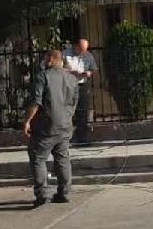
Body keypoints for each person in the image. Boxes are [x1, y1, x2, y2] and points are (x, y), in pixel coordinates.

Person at [23, 50, 79, 207]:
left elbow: (36, 102)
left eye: (46, 58)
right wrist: (67, 118)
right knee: (62, 158)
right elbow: (74, 103)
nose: (44, 61)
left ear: (54, 59)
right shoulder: (72, 78)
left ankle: (42, 194)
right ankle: (64, 192)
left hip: (46, 126)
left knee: (38, 158)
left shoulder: (43, 76)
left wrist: (28, 121)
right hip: (65, 125)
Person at [63, 39, 98, 144]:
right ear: (76, 46)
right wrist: (71, 72)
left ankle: (82, 137)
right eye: (80, 50)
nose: (82, 53)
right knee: (68, 111)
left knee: (83, 111)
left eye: (84, 50)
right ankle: (66, 137)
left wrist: (89, 73)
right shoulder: (65, 54)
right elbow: (59, 69)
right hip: (68, 85)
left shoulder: (88, 56)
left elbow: (94, 70)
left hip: (82, 84)